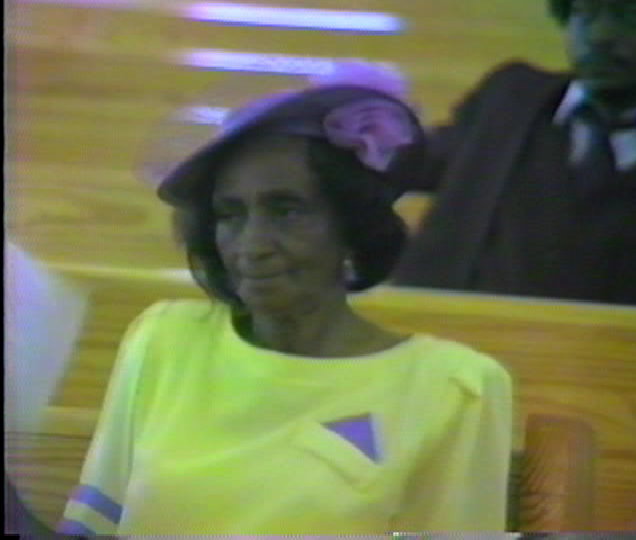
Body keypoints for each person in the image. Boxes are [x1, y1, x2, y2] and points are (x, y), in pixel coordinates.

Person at [56, 64, 513, 536]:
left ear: (353, 226)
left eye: (286, 211)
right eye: (230, 214)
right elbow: (94, 525)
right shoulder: (165, 339)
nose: (252, 244)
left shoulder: (452, 387)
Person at [392, 0, 636, 309]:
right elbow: (410, 163)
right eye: (583, 12)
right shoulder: (509, 99)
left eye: (632, 15)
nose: (600, 34)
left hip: (627, 346)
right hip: (454, 335)